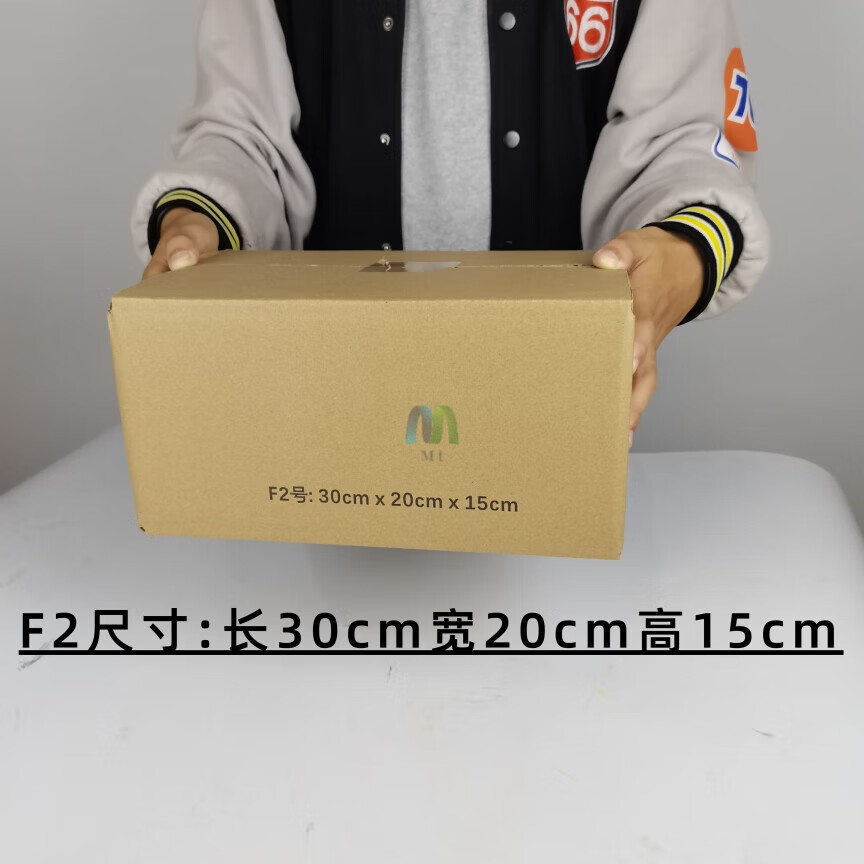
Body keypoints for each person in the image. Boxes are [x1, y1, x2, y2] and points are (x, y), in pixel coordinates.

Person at [132, 0, 769, 446]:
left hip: (555, 394)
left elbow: (681, 137)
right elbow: (245, 134)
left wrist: (680, 248)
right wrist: (203, 219)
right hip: (327, 394)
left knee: (548, 594)